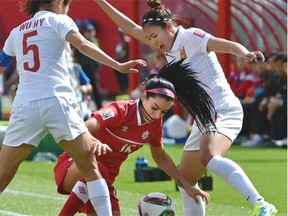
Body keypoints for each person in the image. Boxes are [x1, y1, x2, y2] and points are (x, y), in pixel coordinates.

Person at [93, 0, 278, 215]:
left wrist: (244, 52)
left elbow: (224, 44)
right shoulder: (166, 45)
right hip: (204, 115)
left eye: (155, 36)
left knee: (208, 157)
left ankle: (261, 203)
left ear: (169, 27)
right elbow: (129, 27)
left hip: (221, 107)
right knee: (186, 180)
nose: (153, 42)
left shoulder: (190, 37)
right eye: (149, 38)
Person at [0, 0, 146, 215]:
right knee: (90, 168)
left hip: (25, 105)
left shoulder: (17, 31)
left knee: (3, 171)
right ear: (59, 3)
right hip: (57, 101)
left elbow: (2, 62)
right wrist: (118, 65)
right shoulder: (59, 20)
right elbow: (83, 45)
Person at [54, 64, 213, 216]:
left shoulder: (155, 124)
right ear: (144, 96)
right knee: (98, 169)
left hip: (105, 182)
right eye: (155, 108)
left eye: (163, 112)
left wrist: (187, 186)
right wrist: (94, 142)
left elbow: (160, 156)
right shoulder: (120, 110)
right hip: (73, 166)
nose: (157, 115)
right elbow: (82, 128)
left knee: (102, 174)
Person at [74, 21, 103, 109]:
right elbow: (76, 57)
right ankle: (85, 107)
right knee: (84, 87)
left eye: (92, 31)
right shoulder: (82, 43)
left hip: (94, 68)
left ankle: (100, 107)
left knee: (96, 88)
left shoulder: (95, 41)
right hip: (84, 67)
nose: (90, 33)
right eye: (88, 31)